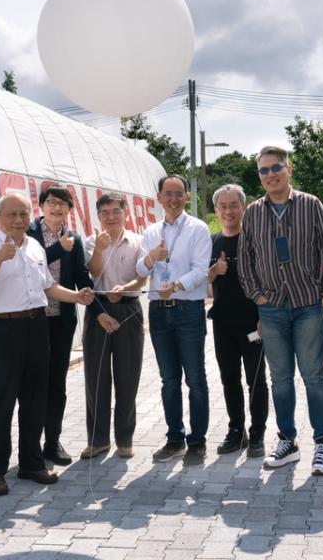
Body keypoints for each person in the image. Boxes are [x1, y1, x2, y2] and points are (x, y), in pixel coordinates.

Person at [0, 192, 95, 496]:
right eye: (11, 214)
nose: (18, 220)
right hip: (1, 328)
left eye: (23, 214)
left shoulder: (36, 246)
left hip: (36, 326)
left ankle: (31, 462)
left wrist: (76, 296)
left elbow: (48, 286)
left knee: (35, 398)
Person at [238, 146, 323, 475]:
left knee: (314, 377)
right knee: (280, 379)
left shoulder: (311, 204)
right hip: (272, 309)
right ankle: (287, 442)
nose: (270, 175)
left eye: (275, 167)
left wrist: (319, 288)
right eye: (263, 170)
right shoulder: (253, 212)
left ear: (288, 168)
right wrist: (257, 295)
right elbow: (246, 259)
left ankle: (322, 444)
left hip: (307, 306)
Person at [135, 174, 212, 464]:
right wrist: (151, 258)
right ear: (159, 198)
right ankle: (174, 437)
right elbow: (140, 272)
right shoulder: (150, 231)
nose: (174, 198)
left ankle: (197, 440)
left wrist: (177, 285)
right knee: (169, 380)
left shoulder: (198, 229)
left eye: (179, 193)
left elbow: (201, 269)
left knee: (195, 379)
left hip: (188, 311)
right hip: (158, 313)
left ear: (186, 197)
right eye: (168, 193)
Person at [27, 186, 94, 466]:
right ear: (41, 206)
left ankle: (52, 442)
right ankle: (29, 445)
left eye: (62, 205)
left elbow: (80, 275)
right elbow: (30, 266)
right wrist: (57, 249)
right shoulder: (28, 233)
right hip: (31, 321)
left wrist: (95, 300)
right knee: (32, 383)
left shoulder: (73, 238)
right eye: (51, 203)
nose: (57, 209)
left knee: (57, 383)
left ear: (69, 210)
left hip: (61, 321)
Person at [82, 193, 147, 459]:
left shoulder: (139, 241)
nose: (110, 217)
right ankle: (98, 440)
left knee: (127, 375)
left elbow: (142, 279)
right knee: (96, 377)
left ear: (125, 213)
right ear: (99, 216)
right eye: (105, 212)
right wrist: (99, 248)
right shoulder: (89, 241)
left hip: (128, 308)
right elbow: (94, 272)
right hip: (98, 309)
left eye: (115, 211)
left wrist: (126, 288)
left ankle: (124, 438)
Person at [207, 184, 269, 458]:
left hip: (252, 324)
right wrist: (214, 270)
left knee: (256, 380)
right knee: (229, 379)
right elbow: (201, 282)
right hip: (222, 323)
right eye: (223, 206)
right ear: (216, 210)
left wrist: (264, 318)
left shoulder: (254, 241)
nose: (229, 211)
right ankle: (236, 431)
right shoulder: (211, 242)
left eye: (234, 205)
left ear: (244, 208)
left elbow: (268, 281)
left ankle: (257, 433)